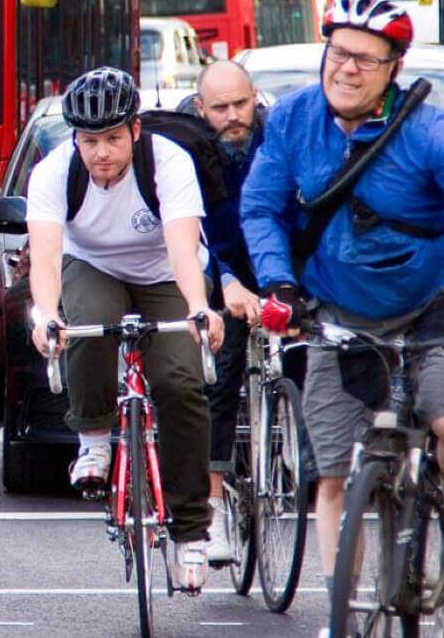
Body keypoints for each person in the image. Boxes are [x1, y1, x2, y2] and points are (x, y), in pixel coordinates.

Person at [239, 0, 444, 613]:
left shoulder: (431, 130)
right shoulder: (296, 119)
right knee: (331, 475)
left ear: (393, 70)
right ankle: (340, 609)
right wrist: (277, 283)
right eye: (338, 53)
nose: (346, 68)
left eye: (365, 59)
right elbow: (261, 206)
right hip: (337, 306)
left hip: (433, 297)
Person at [25, 66, 224, 592]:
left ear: (135, 131)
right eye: (90, 141)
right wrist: (45, 315)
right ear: (75, 139)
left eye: (113, 138)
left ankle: (190, 531)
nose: (101, 153)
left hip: (164, 271)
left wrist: (198, 308)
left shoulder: (168, 163)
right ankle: (93, 438)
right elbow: (45, 259)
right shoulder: (53, 174)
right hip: (94, 265)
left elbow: (184, 249)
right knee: (85, 325)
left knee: (181, 383)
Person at [177, 60, 266, 564]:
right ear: (200, 108)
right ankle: (213, 507)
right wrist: (228, 281)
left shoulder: (275, 138)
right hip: (217, 263)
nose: (234, 116)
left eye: (241, 104)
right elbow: (192, 229)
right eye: (220, 108)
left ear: (256, 96)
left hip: (274, 260)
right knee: (221, 369)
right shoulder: (187, 149)